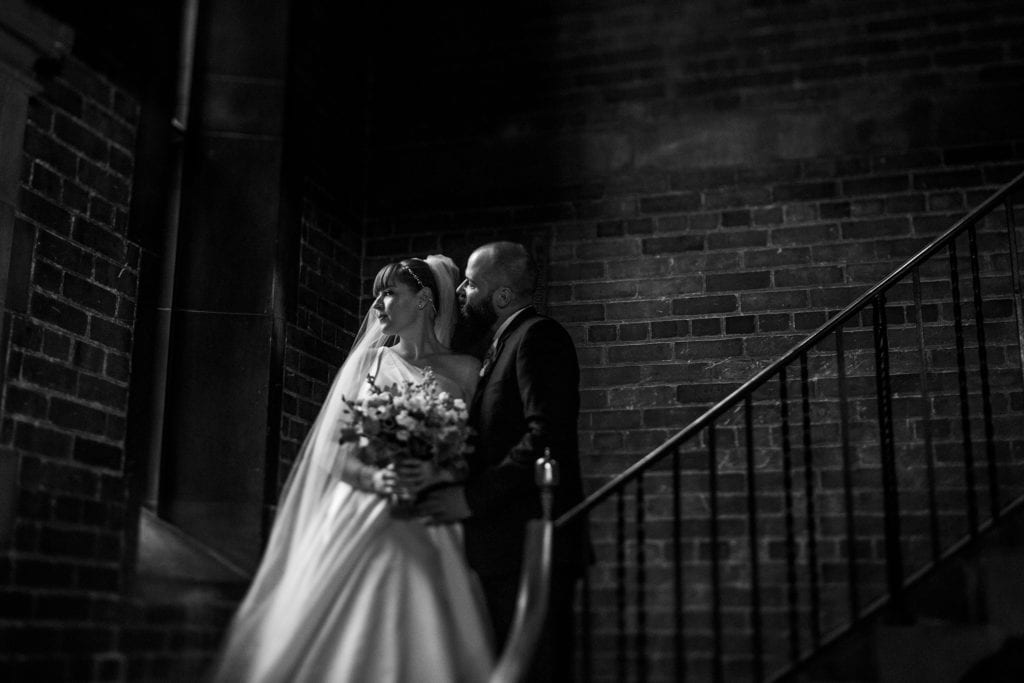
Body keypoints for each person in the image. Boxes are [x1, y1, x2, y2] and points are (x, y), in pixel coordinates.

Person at [208, 255, 494, 683]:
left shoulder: (467, 370)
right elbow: (332, 451)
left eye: (389, 292)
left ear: (423, 300)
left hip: (429, 511)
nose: (377, 304)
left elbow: (473, 451)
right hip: (361, 508)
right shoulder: (369, 364)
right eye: (377, 293)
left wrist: (439, 476)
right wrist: (376, 477)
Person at [418, 241, 591, 681]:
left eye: (471, 283)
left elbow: (545, 437)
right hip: (500, 544)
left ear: (502, 296)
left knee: (534, 669)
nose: (459, 290)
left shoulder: (538, 337)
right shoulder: (503, 343)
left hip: (529, 539)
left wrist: (472, 499)